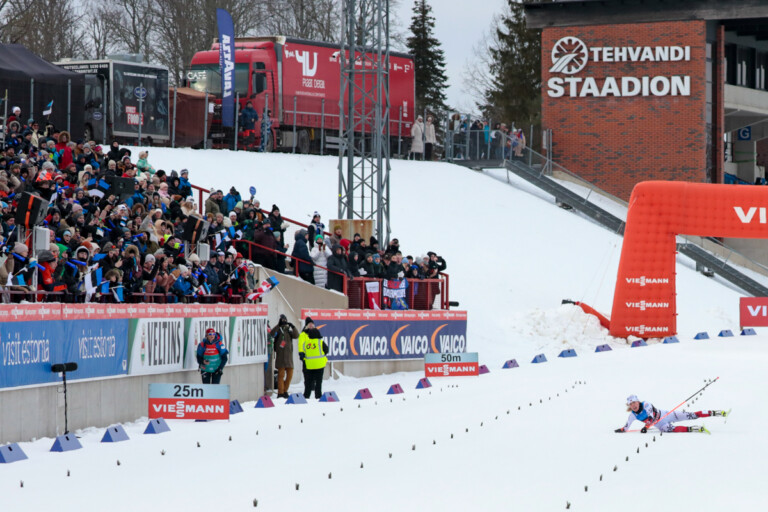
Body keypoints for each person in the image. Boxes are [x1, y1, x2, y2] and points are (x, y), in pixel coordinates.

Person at [615, 395, 728, 434]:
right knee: (672, 429)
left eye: (634, 402)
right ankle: (697, 429)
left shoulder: (646, 404)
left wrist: (645, 427)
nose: (633, 405)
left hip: (666, 415)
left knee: (692, 415)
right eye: (631, 404)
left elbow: (651, 417)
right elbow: (626, 427)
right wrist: (620, 430)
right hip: (660, 425)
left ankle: (717, 413)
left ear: (638, 401)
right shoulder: (633, 415)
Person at [298, 317, 328, 399]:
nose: (311, 325)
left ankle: (306, 395)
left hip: (309, 363)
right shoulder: (305, 335)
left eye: (312, 324)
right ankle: (317, 395)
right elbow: (326, 350)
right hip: (317, 363)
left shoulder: (307, 343)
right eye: (309, 324)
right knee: (317, 381)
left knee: (309, 380)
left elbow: (303, 347)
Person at [272, 314, 299, 399]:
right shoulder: (278, 331)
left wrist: (293, 327)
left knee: (290, 375)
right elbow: (272, 333)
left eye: (285, 320)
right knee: (281, 375)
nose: (284, 322)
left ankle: (285, 390)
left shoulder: (289, 332)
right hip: (280, 357)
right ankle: (281, 392)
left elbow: (297, 335)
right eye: (282, 320)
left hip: (289, 358)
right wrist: (278, 325)